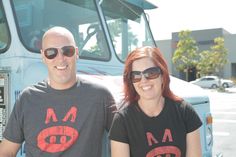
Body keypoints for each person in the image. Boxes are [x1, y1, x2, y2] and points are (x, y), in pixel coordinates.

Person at [0, 26, 115, 157]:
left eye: (67, 51)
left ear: (76, 53)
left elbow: (125, 139)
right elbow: (6, 151)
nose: (60, 58)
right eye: (51, 52)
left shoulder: (100, 96)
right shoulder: (27, 98)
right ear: (43, 56)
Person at [109, 46, 202, 157]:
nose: (143, 81)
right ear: (130, 81)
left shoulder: (185, 112)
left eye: (151, 73)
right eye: (136, 75)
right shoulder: (122, 121)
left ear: (163, 75)